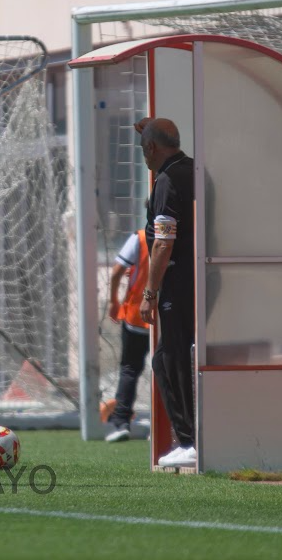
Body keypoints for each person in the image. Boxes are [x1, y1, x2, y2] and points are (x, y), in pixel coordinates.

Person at [135, 117, 197, 468]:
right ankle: (192, 438)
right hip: (198, 278)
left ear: (152, 147)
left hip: (177, 282)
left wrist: (150, 293)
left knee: (169, 358)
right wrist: (148, 129)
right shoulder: (191, 169)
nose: (143, 154)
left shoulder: (167, 181)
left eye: (143, 147)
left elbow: (163, 243)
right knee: (173, 356)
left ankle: (189, 441)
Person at [105, 228, 151, 442]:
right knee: (167, 370)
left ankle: (121, 423)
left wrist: (113, 300)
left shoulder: (140, 237)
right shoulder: (183, 234)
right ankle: (166, 425)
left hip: (137, 316)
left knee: (130, 368)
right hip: (168, 316)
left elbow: (117, 270)